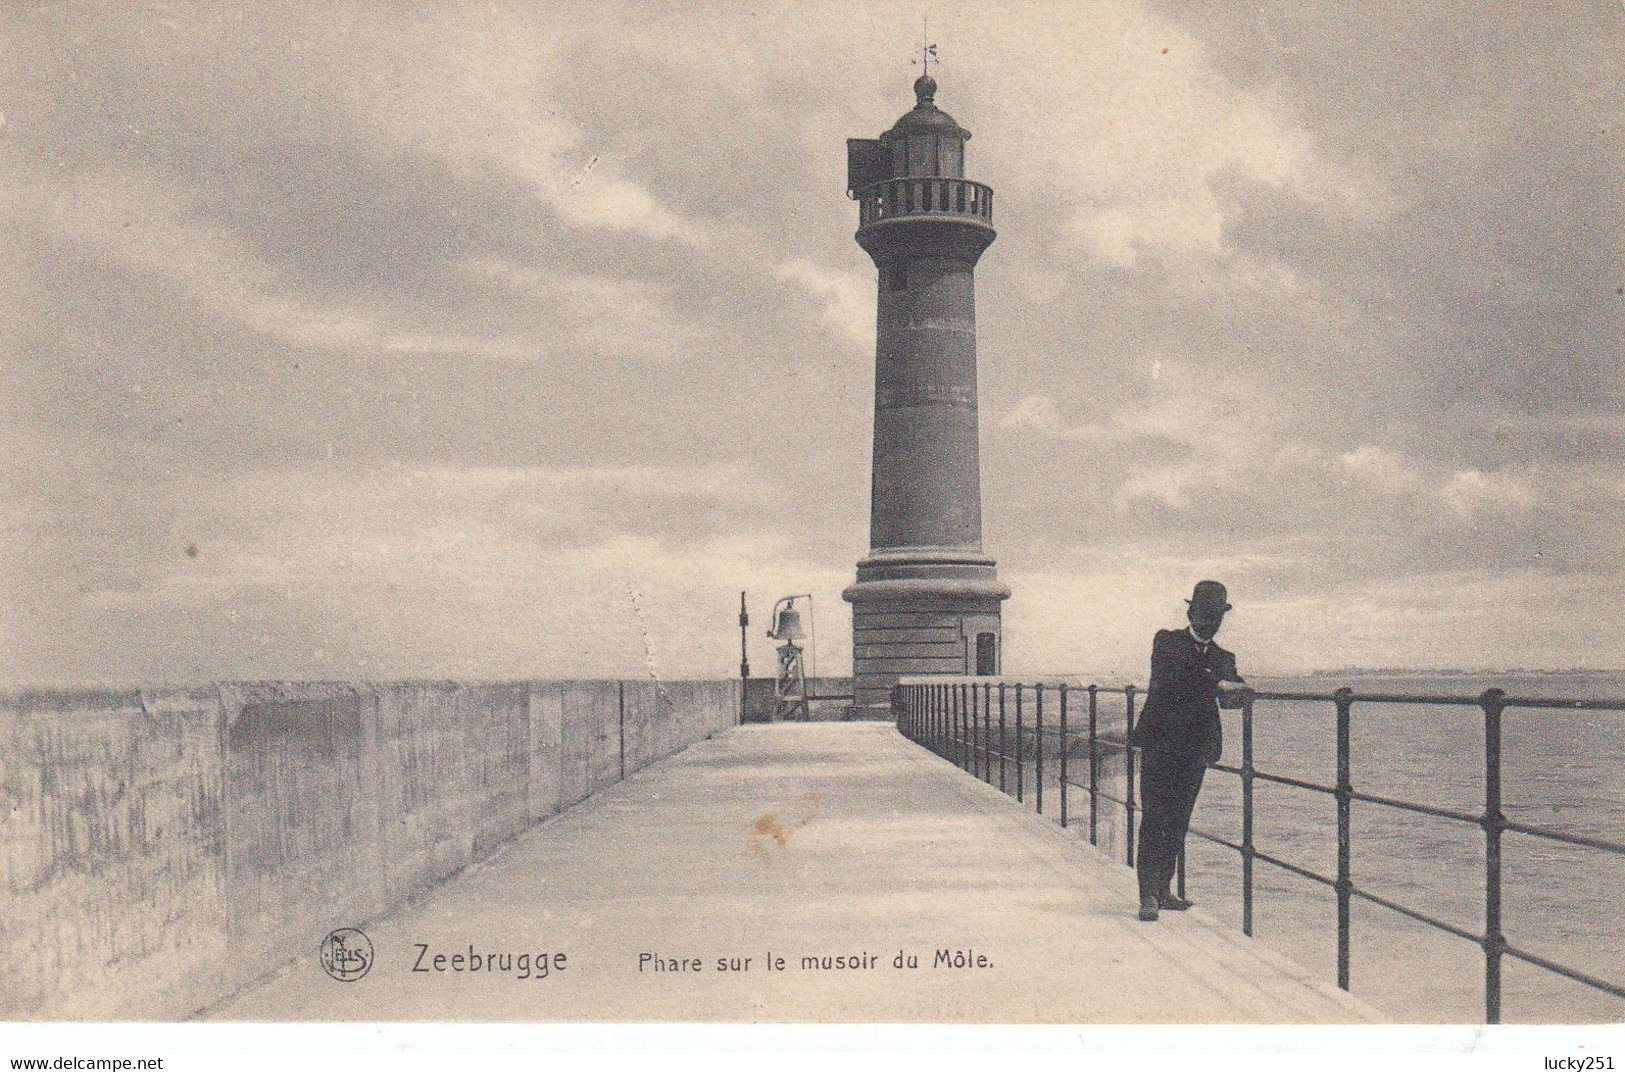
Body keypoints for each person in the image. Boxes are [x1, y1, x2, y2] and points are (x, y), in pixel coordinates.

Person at [1128, 580, 1247, 922]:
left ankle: (1163, 889)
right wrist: (1219, 684)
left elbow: (1232, 690)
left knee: (1179, 818)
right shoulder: (1167, 642)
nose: (1211, 621)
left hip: (1195, 748)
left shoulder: (1224, 657)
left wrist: (1239, 690)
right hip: (1160, 744)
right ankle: (1147, 895)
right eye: (1205, 613)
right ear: (1191, 612)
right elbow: (1177, 678)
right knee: (1155, 817)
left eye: (1217, 616)